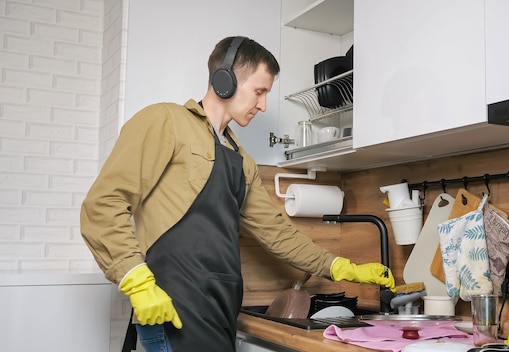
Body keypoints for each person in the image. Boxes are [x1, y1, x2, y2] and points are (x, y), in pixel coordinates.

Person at [80, 36, 395, 352]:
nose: (263, 105)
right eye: (259, 92)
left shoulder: (242, 160)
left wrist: (342, 267)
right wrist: (138, 283)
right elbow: (103, 206)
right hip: (173, 307)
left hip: (220, 310)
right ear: (225, 81)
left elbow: (277, 233)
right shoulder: (165, 121)